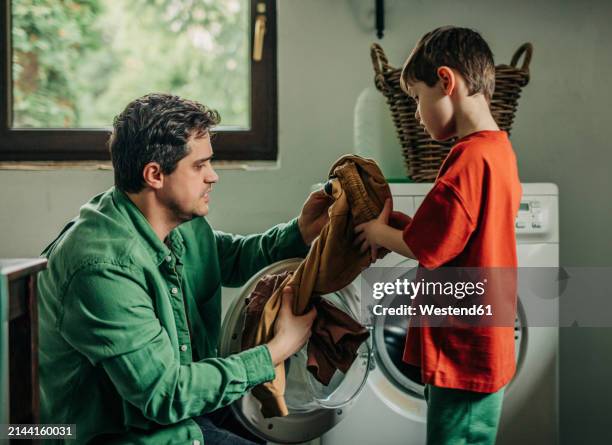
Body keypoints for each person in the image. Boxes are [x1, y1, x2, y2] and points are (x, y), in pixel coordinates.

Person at [37, 93, 332, 444]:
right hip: (118, 433)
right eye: (199, 165)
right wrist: (278, 349)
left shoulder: (178, 221)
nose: (213, 176)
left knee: (271, 427)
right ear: (155, 175)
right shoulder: (101, 267)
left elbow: (231, 258)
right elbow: (165, 396)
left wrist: (301, 231)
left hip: (178, 409)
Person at [354, 26, 522, 444]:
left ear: (446, 82)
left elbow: (427, 247)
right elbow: (458, 237)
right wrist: (401, 227)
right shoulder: (498, 150)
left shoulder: (466, 158)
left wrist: (376, 230)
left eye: (417, 99)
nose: (415, 113)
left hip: (462, 347)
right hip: (486, 342)